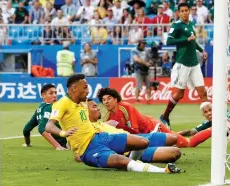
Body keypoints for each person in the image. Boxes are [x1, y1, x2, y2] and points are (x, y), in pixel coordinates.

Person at [45, 74, 180, 173]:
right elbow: (49, 126)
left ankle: (133, 163)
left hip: (100, 137)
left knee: (142, 142)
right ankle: (162, 171)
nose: (87, 90)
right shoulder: (62, 103)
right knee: (120, 160)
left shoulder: (82, 103)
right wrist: (64, 133)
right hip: (88, 149)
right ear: (74, 88)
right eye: (85, 87)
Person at [97, 87, 212, 148]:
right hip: (147, 135)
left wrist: (118, 126)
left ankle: (214, 129)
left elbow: (134, 133)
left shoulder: (126, 108)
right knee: (173, 138)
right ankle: (179, 133)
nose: (106, 102)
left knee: (188, 144)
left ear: (116, 99)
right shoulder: (107, 118)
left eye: (109, 98)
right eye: (103, 100)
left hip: (154, 128)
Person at [87, 99, 181, 163]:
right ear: (85, 111)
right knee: (175, 152)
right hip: (129, 149)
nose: (99, 108)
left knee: (173, 138)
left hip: (138, 137)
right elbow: (83, 151)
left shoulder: (106, 123)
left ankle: (184, 133)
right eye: (94, 106)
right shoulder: (89, 129)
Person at [160, 3, 208, 129]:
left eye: (187, 10)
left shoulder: (191, 24)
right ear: (178, 13)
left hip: (194, 64)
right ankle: (164, 116)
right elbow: (169, 41)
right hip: (183, 64)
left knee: (203, 93)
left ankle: (211, 121)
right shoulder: (176, 25)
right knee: (179, 94)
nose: (185, 12)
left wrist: (201, 50)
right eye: (182, 11)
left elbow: (193, 41)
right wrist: (185, 40)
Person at [23, 84, 67, 150]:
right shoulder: (49, 107)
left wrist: (27, 143)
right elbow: (41, 128)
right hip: (66, 142)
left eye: (55, 93)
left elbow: (26, 129)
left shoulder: (39, 109)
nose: (54, 95)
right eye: (51, 93)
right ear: (43, 95)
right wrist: (57, 146)